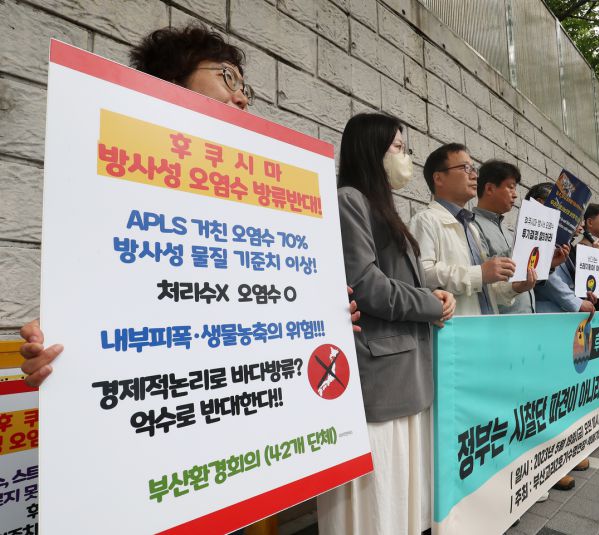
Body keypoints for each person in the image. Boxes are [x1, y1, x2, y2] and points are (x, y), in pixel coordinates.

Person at [19, 24, 361, 385]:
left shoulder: (264, 197)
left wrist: (318, 305)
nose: (242, 98)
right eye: (227, 78)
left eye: (245, 89)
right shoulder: (114, 189)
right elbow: (103, 292)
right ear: (170, 83)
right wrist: (67, 338)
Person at [317, 113, 456, 535]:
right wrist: (430, 304)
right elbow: (365, 284)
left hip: (406, 371)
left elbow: (400, 280)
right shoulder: (349, 200)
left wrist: (435, 295)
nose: (406, 156)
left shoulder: (384, 207)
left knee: (400, 500)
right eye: (398, 147)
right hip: (381, 374)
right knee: (376, 504)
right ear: (370, 150)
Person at [408, 144, 536, 315]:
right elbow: (421, 275)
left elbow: (484, 293)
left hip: (485, 326)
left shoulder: (470, 227)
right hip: (457, 327)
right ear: (438, 178)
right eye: (465, 168)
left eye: (474, 169)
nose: (475, 175)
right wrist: (480, 273)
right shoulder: (425, 220)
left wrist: (514, 288)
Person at [472, 162, 569, 314]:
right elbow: (482, 278)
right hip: (502, 319)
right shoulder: (472, 226)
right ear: (489, 188)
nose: (515, 194)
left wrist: (548, 264)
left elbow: (523, 276)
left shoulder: (507, 231)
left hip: (526, 316)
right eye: (510, 187)